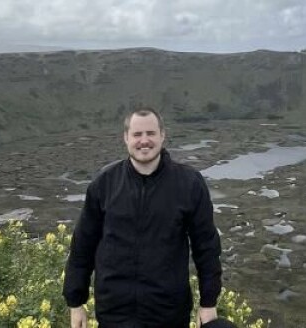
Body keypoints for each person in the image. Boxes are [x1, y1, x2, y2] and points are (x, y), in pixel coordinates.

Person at [63, 107, 223, 328]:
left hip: (168, 314)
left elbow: (206, 246)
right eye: (137, 134)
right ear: (126, 138)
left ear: (162, 136)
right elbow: (83, 245)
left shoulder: (189, 184)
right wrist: (76, 302)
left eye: (151, 133)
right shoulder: (104, 184)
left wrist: (208, 302)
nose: (144, 141)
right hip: (114, 314)